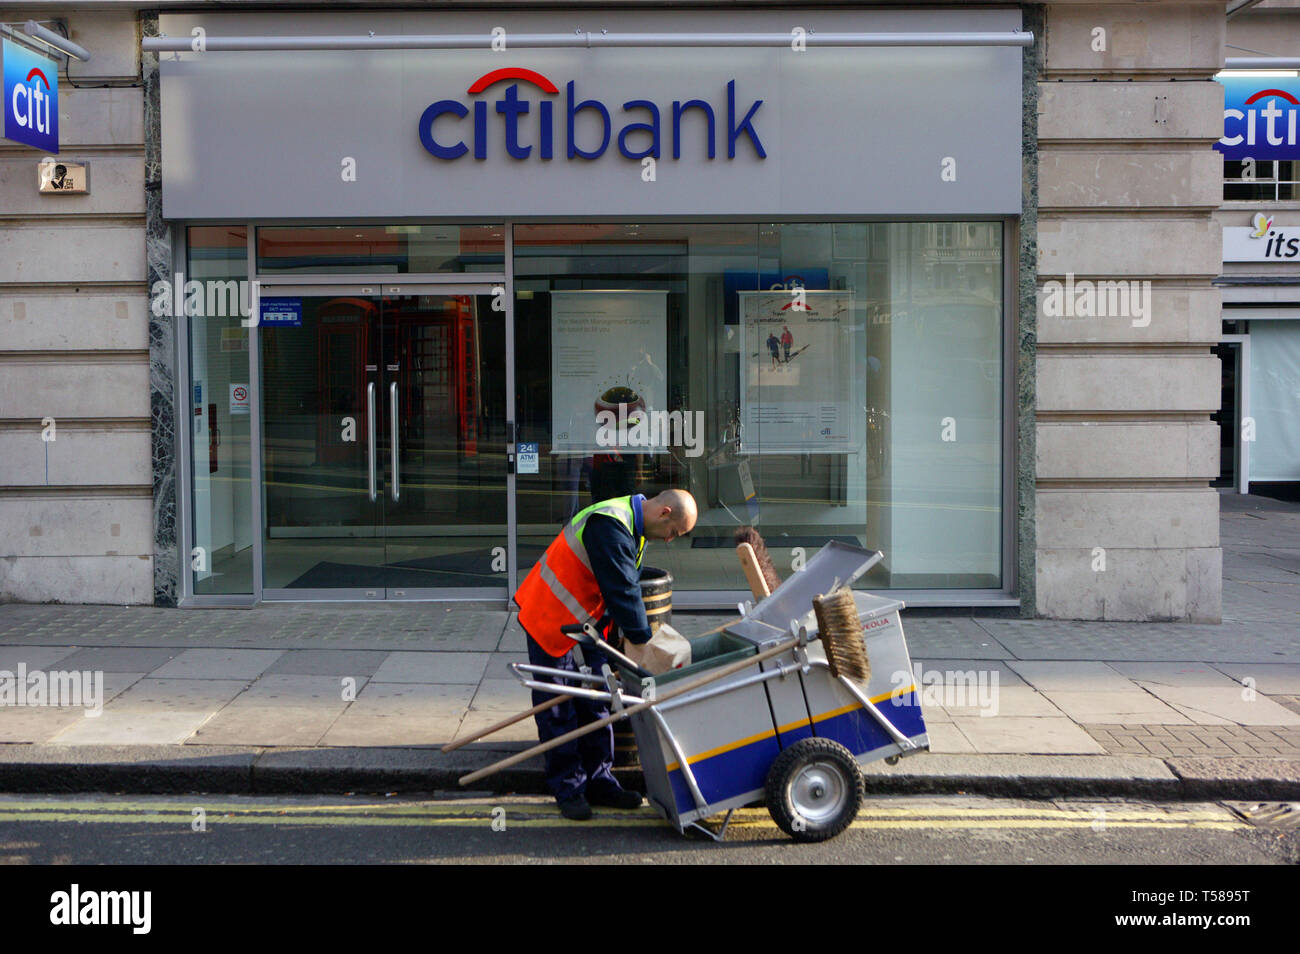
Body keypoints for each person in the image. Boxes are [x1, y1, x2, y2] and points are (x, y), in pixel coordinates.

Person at [513, 489, 698, 820]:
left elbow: (618, 586)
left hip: (583, 624)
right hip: (550, 617)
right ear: (665, 512)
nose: (670, 540)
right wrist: (645, 646)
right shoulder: (610, 525)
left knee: (598, 699)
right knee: (559, 706)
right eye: (674, 532)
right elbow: (623, 592)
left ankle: (599, 781)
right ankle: (568, 787)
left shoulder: (630, 524)